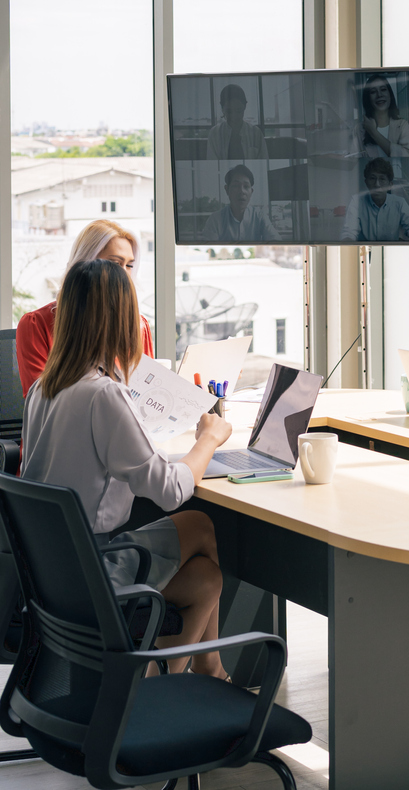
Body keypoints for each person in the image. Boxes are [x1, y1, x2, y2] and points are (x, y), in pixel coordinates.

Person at [21, 259, 233, 676]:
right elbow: (170, 490)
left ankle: (165, 681)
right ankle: (191, 674)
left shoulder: (43, 388)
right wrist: (209, 436)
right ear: (117, 320)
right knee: (201, 526)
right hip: (97, 570)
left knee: (208, 578)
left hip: (54, 574)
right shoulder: (102, 395)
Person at [16, 219, 154, 397]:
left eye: (129, 265)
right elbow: (42, 402)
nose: (124, 275)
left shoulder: (138, 326)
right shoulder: (37, 325)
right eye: (114, 264)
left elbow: (148, 394)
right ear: (85, 266)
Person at [341, 158, 409, 243]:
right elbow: (349, 232)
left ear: (390, 185)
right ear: (366, 182)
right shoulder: (356, 201)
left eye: (382, 179)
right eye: (372, 178)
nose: (377, 184)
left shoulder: (399, 203)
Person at [199, 163, 279, 243]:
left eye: (246, 186)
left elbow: (276, 241)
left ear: (251, 192)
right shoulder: (215, 219)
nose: (241, 191)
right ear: (227, 190)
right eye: (236, 186)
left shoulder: (259, 216)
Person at [355, 74, 409, 161]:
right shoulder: (359, 129)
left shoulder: (402, 125)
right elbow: (353, 160)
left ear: (390, 94)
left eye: (383, 89)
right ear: (368, 98)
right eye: (373, 92)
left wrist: (374, 132)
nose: (379, 95)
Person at [206, 83, 268, 161]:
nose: (234, 116)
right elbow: (212, 165)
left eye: (238, 111)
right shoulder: (215, 133)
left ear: (245, 107)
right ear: (222, 109)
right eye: (229, 111)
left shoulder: (256, 133)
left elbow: (263, 162)